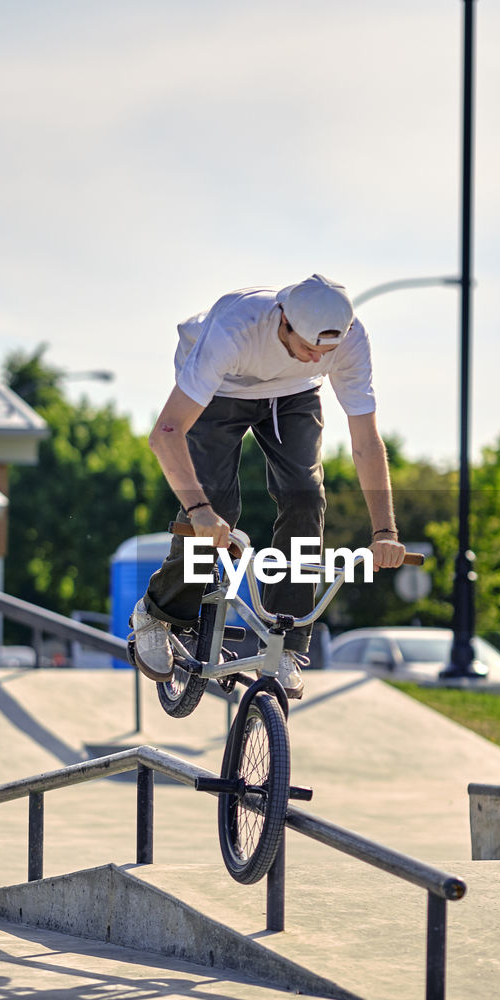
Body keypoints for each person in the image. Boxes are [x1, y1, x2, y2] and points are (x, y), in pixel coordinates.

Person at [132, 273, 407, 698]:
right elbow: (164, 433)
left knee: (305, 496)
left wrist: (385, 531)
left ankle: (287, 644)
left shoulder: (350, 341)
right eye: (306, 348)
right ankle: (160, 613)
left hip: (294, 398)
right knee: (217, 504)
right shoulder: (234, 329)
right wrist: (200, 510)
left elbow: (366, 443)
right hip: (219, 388)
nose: (314, 358)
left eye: (324, 352)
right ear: (282, 321)